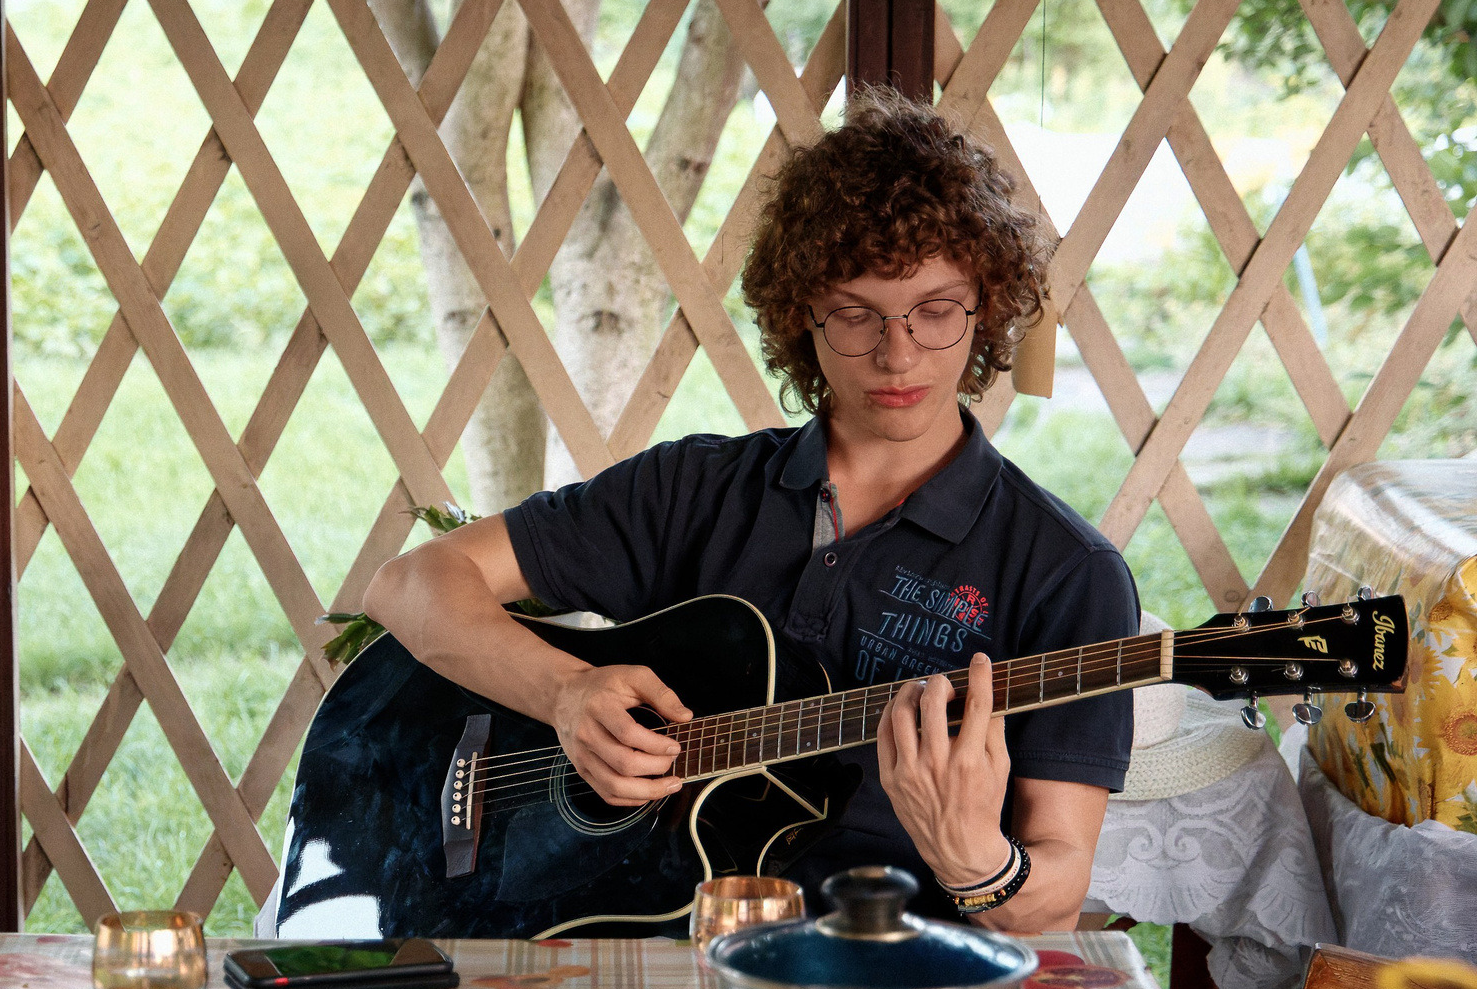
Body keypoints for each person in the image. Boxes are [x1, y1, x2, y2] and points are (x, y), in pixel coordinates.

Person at [363, 88, 1137, 930]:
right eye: (856, 314)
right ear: (802, 315)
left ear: (985, 307)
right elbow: (410, 583)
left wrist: (977, 864)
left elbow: (1055, 891)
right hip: (643, 948)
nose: (899, 350)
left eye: (937, 310)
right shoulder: (694, 490)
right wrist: (565, 692)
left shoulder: (1064, 572)